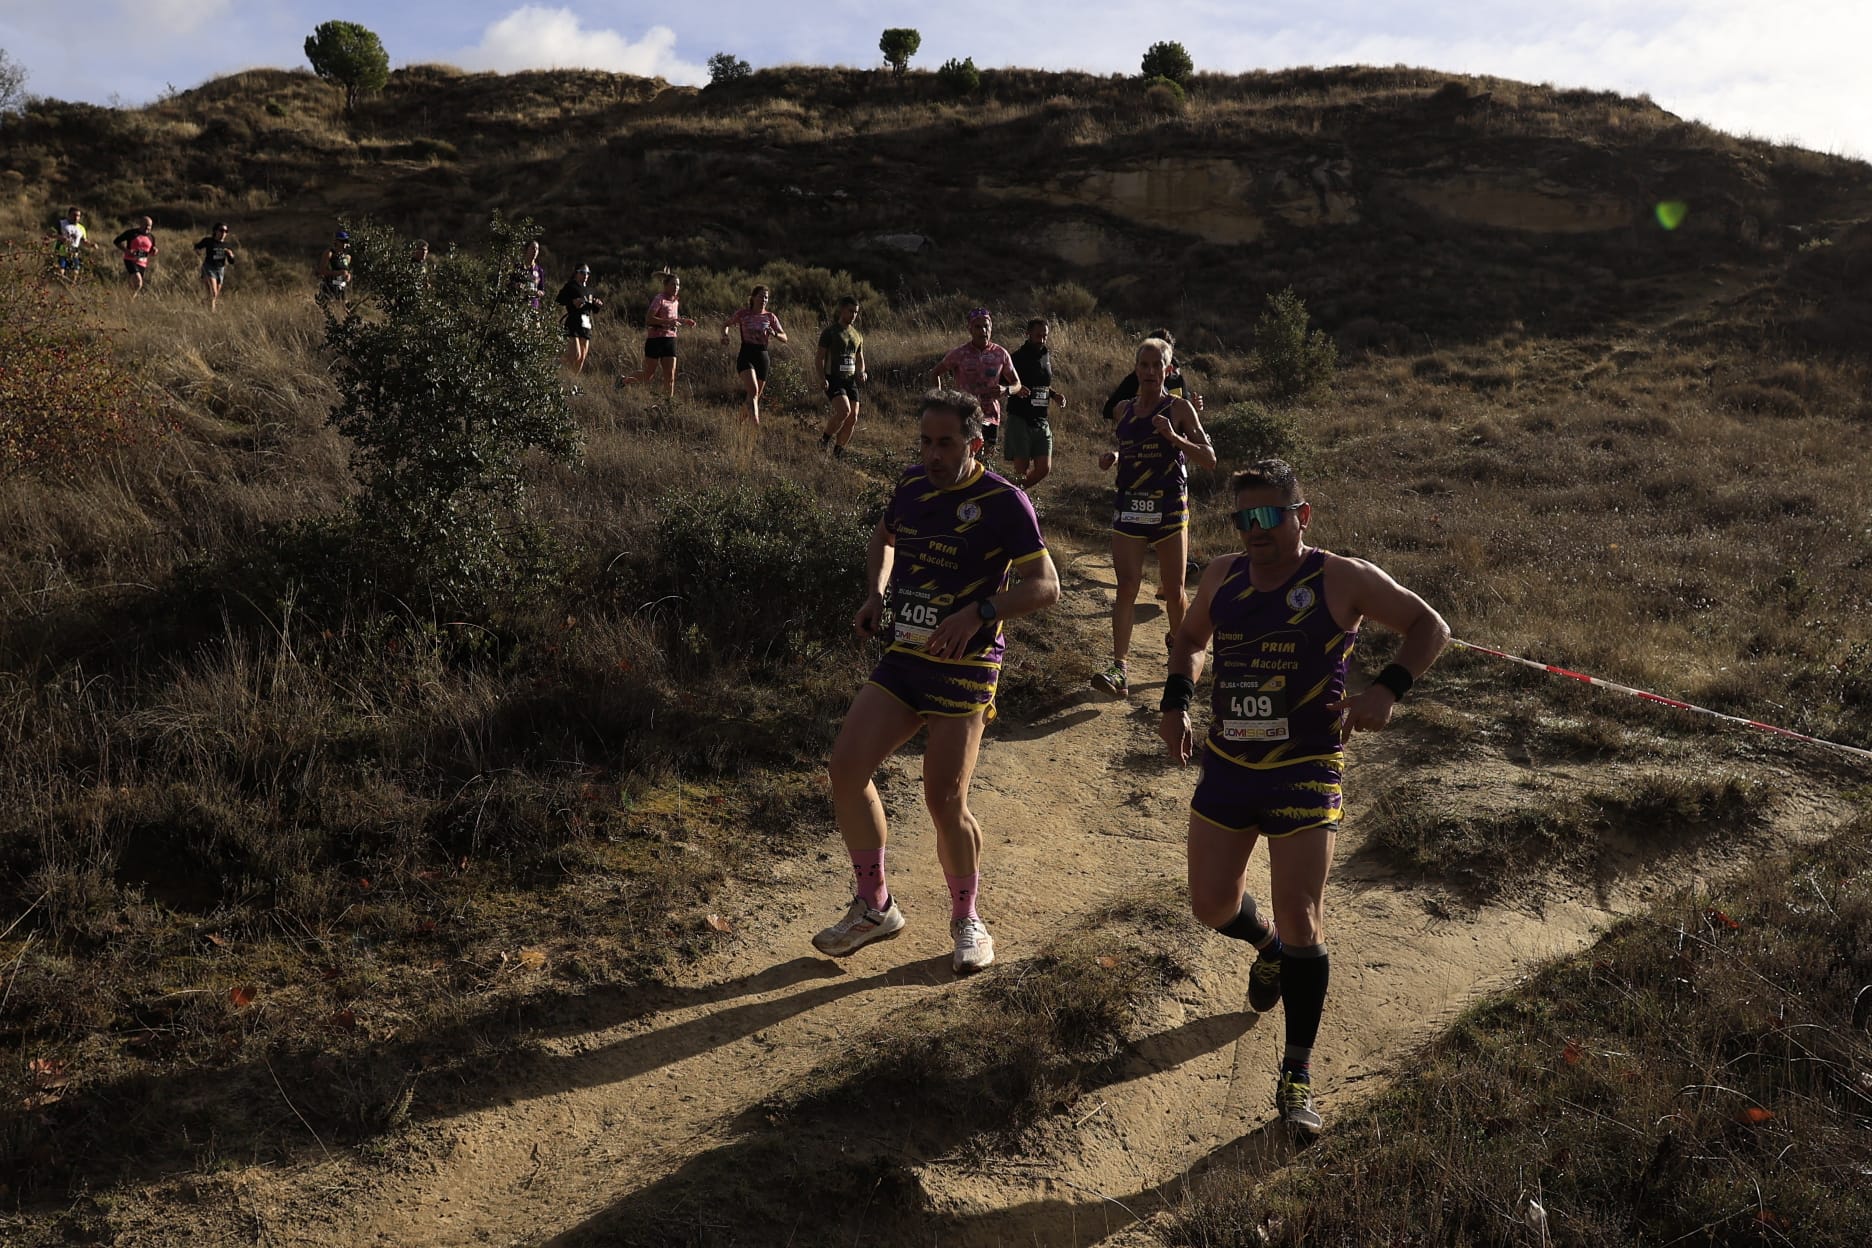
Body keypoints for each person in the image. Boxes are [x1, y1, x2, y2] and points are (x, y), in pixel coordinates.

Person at [1160, 458, 1449, 1138]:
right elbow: (1190, 640)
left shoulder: (1338, 577)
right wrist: (1177, 702)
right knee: (1210, 905)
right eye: (1243, 518)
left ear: (1302, 515)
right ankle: (1263, 948)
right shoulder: (1223, 575)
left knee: (1301, 913)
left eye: (1269, 515)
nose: (1255, 530)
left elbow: (1429, 626)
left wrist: (1385, 691)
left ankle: (1296, 1076)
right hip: (1230, 764)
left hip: (1306, 767)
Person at [817, 390, 1061, 974]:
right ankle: (875, 906)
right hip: (906, 654)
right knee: (846, 769)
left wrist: (978, 612)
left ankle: (966, 919)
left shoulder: (1004, 500)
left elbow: (1046, 585)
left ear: (974, 443)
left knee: (944, 798)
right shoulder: (910, 487)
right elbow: (884, 537)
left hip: (968, 664)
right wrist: (877, 592)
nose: (932, 453)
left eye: (945, 442)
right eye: (925, 441)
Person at [1093, 337, 1216, 697]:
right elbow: (1129, 445)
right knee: (1126, 587)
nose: (1149, 371)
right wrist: (1113, 457)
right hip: (1129, 505)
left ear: (1168, 370)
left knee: (1174, 590)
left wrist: (1174, 437)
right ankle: (1119, 669)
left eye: (1156, 365)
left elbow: (1209, 458)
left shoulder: (1179, 409)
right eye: (1143, 365)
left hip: (1168, 509)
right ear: (1136, 369)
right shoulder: (1123, 410)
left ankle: (1180, 654)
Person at [934, 309, 1024, 458]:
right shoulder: (960, 353)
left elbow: (1017, 384)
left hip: (990, 416)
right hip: (964, 414)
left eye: (986, 326)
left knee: (986, 463)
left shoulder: (1001, 353)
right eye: (978, 327)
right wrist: (939, 401)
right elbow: (935, 373)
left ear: (991, 327)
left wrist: (1006, 389)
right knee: (965, 460)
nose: (983, 330)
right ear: (970, 329)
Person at [1006, 318, 1067, 491]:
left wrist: (1054, 395)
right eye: (1038, 335)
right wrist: (1016, 389)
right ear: (1028, 334)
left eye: (1045, 336)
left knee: (1044, 469)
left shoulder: (1045, 355)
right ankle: (1016, 498)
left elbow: (1043, 384)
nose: (1041, 339)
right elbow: (1004, 385)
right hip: (1020, 417)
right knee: (1021, 470)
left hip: (1041, 419)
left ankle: (1014, 493)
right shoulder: (1016, 358)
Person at [618, 271, 697, 399]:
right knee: (648, 375)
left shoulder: (675, 302)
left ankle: (667, 406)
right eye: (673, 284)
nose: (676, 287)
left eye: (677, 285)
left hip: (670, 340)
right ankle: (623, 381)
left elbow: (674, 319)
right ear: (665, 285)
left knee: (670, 376)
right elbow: (649, 319)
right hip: (655, 340)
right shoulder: (659, 299)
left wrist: (684, 321)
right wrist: (668, 322)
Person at [1102, 328, 1202, 421]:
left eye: (1165, 354)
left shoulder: (1177, 380)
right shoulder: (1135, 380)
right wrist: (1135, 412)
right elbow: (1108, 410)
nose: (1151, 372)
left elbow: (1186, 413)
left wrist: (1194, 408)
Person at [722, 285, 788, 425]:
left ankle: (737, 424)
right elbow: (726, 324)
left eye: (766, 297)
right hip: (746, 354)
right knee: (753, 390)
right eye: (761, 296)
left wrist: (775, 334)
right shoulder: (743, 314)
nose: (763, 299)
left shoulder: (770, 317)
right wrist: (725, 336)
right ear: (753, 298)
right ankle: (755, 426)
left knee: (754, 396)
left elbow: (785, 338)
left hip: (762, 356)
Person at [817, 296, 867, 458]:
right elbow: (819, 357)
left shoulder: (857, 335)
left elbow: (859, 358)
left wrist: (862, 371)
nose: (853, 315)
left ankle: (838, 452)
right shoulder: (830, 332)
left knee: (853, 417)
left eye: (856, 312)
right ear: (841, 310)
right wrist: (822, 377)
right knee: (844, 411)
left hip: (850, 380)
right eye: (850, 311)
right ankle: (824, 440)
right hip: (834, 378)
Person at [555, 264, 604, 374]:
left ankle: (572, 381)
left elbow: (593, 309)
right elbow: (559, 299)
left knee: (581, 358)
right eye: (582, 272)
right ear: (576, 273)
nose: (585, 275)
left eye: (587, 273)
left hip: (586, 324)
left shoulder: (589, 290)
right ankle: (556, 364)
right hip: (573, 322)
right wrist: (572, 301)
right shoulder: (571, 286)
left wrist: (597, 305)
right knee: (575, 355)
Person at [193, 223, 236, 311]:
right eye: (221, 230)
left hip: (220, 270)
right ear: (215, 231)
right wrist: (197, 251)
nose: (223, 233)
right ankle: (212, 313)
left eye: (226, 231)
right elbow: (197, 246)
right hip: (209, 267)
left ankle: (202, 304)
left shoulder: (227, 245)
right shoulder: (208, 241)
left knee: (214, 296)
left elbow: (232, 262)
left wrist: (230, 255)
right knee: (213, 292)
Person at [112, 216, 158, 295]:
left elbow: (150, 251)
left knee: (133, 285)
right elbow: (116, 241)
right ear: (140, 224)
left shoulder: (151, 237)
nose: (147, 228)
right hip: (130, 260)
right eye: (145, 225)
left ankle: (128, 301)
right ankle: (130, 300)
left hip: (143, 263)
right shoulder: (131, 233)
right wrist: (126, 250)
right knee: (138, 282)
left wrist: (154, 251)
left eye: (150, 226)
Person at [52, 206, 91, 278]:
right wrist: (60, 237)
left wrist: (91, 245)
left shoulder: (81, 228)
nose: (76, 218)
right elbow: (50, 233)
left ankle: (71, 287)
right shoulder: (61, 223)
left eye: (78, 216)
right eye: (74, 215)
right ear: (69, 215)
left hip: (74, 252)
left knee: (75, 272)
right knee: (60, 271)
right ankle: (59, 285)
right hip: (61, 250)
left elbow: (84, 240)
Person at [316, 229, 353, 304]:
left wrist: (348, 276)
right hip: (329, 288)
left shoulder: (347, 257)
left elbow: (346, 272)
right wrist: (338, 273)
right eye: (342, 241)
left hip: (342, 289)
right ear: (336, 242)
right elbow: (321, 271)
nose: (344, 244)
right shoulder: (329, 254)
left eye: (346, 242)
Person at [511, 240, 545, 310]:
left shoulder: (539, 270)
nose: (535, 251)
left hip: (533, 306)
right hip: (518, 305)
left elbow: (542, 290)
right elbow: (510, 283)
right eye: (532, 248)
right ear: (526, 250)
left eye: (537, 249)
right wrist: (517, 285)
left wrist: (539, 293)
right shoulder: (518, 267)